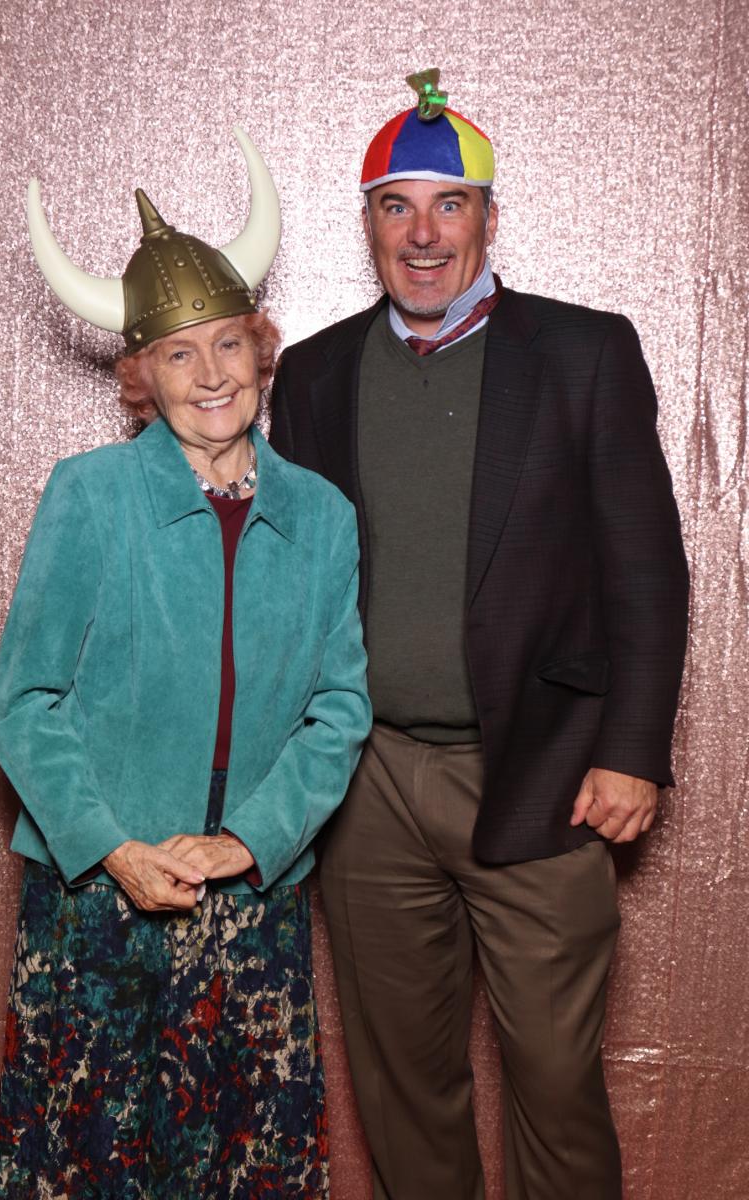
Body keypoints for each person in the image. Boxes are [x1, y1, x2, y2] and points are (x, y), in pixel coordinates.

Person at [269, 70, 689, 1200]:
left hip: (543, 774)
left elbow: (645, 569)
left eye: (448, 204)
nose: (423, 234)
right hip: (368, 780)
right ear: (367, 224)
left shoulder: (584, 352)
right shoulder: (311, 374)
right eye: (396, 206)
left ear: (488, 218)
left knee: (553, 1081)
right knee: (402, 1090)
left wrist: (633, 750)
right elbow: (288, 577)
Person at [0, 126, 371, 1199]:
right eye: (179, 354)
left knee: (243, 1166)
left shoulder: (323, 516)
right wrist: (115, 850)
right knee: (87, 1164)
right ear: (141, 377)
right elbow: (21, 703)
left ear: (262, 350)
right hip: (97, 900)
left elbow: (339, 709)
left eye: (228, 345)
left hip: (252, 904)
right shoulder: (89, 495)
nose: (210, 375)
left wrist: (247, 842)